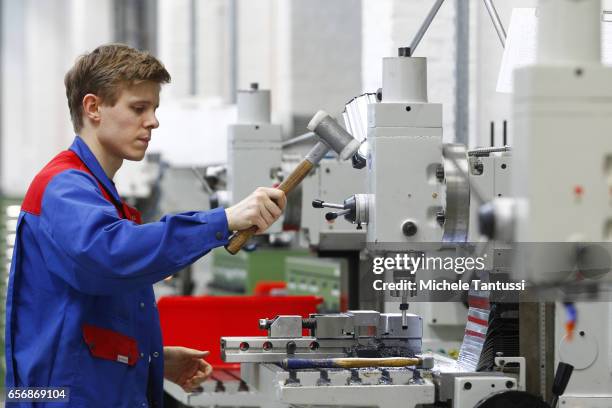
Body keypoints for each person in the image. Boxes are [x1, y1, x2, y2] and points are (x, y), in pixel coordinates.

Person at [4, 43, 286, 407]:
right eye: (138, 108)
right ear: (92, 108)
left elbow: (87, 322)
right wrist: (224, 219)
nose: (152, 121)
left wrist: (152, 360)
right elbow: (114, 254)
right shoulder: (64, 188)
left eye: (153, 109)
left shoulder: (96, 193)